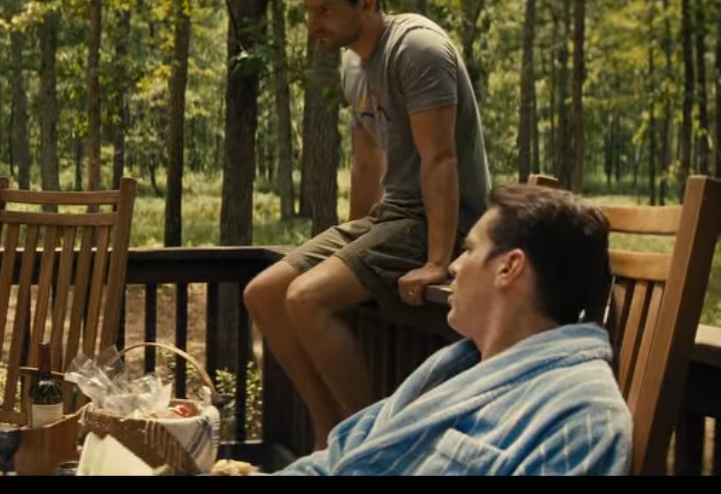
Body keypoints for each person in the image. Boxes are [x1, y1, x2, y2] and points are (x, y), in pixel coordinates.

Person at [242, 0, 493, 447]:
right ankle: (328, 431)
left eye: (326, 10)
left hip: (438, 220)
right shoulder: (352, 64)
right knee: (263, 293)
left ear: (367, 3)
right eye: (310, 11)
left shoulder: (416, 49)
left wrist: (438, 261)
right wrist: (354, 245)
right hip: (390, 218)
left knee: (306, 297)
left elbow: (440, 159)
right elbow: (365, 160)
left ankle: (375, 444)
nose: (314, 24)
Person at [253, 184, 632, 475]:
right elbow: (343, 454)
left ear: (509, 268)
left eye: (469, 250)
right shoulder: (454, 368)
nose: (454, 266)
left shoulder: (580, 418)